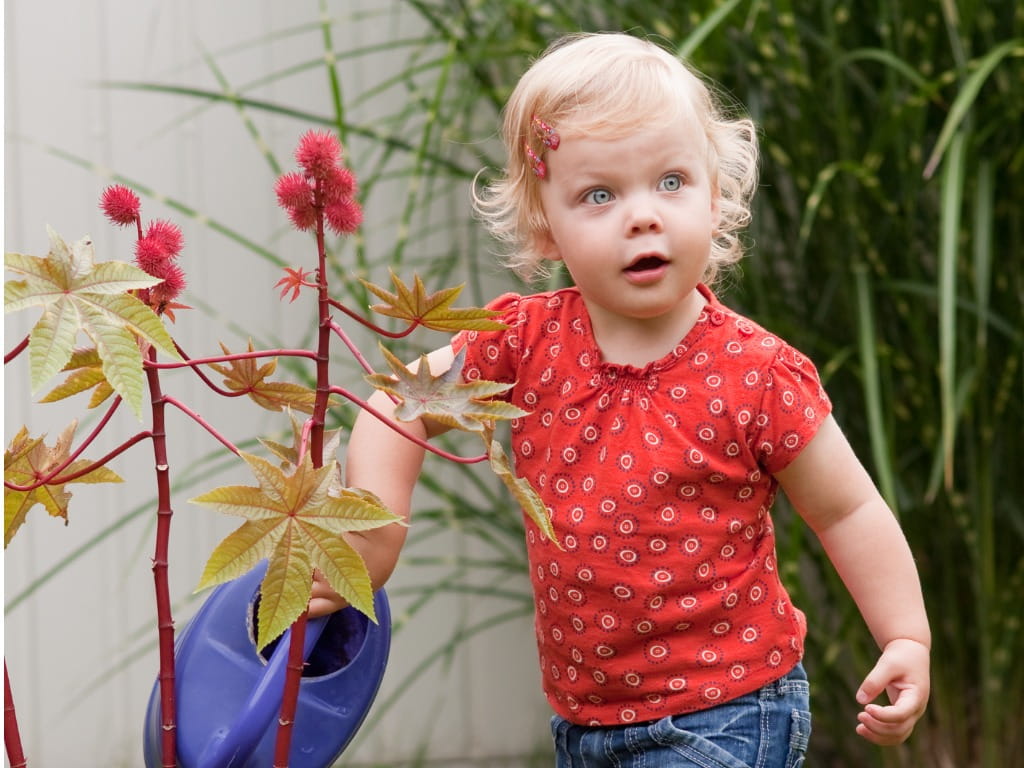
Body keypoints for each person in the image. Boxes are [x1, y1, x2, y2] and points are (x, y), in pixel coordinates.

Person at [311, 31, 930, 766]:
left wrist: (905, 635)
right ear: (545, 224)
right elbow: (398, 404)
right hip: (585, 719)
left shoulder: (757, 373)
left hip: (729, 708)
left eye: (671, 182)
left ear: (715, 192)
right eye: (599, 194)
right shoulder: (523, 341)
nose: (642, 214)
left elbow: (847, 508)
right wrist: (376, 539)